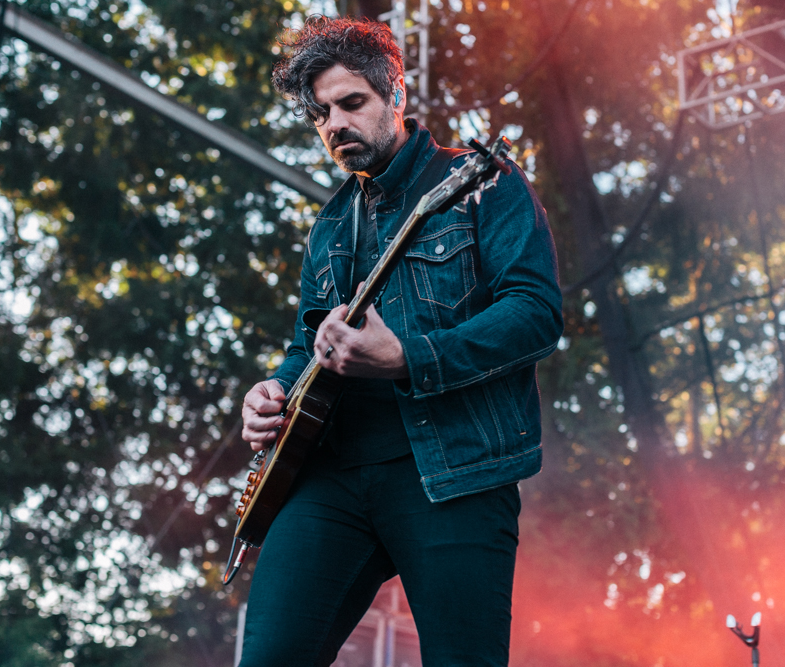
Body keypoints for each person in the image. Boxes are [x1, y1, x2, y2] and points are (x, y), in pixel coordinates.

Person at [238, 16, 563, 667]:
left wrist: (410, 357)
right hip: (330, 476)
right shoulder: (329, 226)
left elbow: (534, 313)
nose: (335, 124)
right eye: (321, 114)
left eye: (351, 103)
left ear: (396, 95)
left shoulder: (483, 183)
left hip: (455, 475)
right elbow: (310, 343)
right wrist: (272, 387)